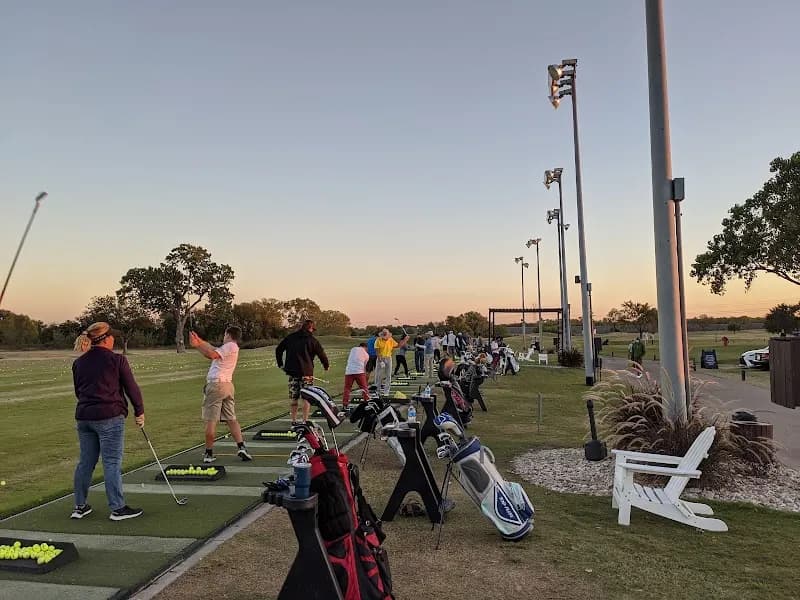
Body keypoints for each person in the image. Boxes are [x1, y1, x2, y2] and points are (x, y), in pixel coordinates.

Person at [71, 322, 145, 521]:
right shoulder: (117, 360)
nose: (114, 340)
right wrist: (140, 411)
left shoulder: (79, 362)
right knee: (111, 462)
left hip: (84, 418)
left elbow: (79, 392)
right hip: (109, 417)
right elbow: (132, 388)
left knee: (86, 463)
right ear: (106, 339)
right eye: (113, 337)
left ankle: (80, 506)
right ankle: (118, 509)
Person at [189, 326, 252, 464]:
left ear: (228, 334)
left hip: (216, 385)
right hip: (227, 386)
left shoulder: (229, 346)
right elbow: (212, 348)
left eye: (224, 334)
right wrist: (199, 341)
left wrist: (196, 346)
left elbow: (211, 354)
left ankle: (208, 453)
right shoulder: (231, 347)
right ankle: (241, 447)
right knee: (231, 418)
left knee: (211, 420)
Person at [276, 319, 330, 423]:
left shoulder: (290, 337)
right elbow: (321, 354)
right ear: (310, 328)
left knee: (294, 398)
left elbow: (279, 349)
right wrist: (326, 365)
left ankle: (294, 421)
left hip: (293, 372)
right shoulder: (312, 340)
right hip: (307, 373)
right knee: (306, 398)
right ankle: (305, 421)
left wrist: (280, 364)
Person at [374, 328, 408, 395]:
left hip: (388, 358)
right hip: (380, 358)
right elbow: (377, 352)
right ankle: (377, 391)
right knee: (379, 376)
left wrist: (405, 340)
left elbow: (398, 345)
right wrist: (381, 361)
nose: (386, 338)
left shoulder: (390, 339)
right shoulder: (378, 340)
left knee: (388, 375)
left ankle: (386, 392)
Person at [343, 342, 370, 409]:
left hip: (349, 371)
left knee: (347, 388)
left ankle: (345, 404)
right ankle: (367, 401)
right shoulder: (366, 355)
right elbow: (364, 366)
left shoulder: (353, 349)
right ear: (365, 347)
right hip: (359, 372)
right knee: (364, 387)